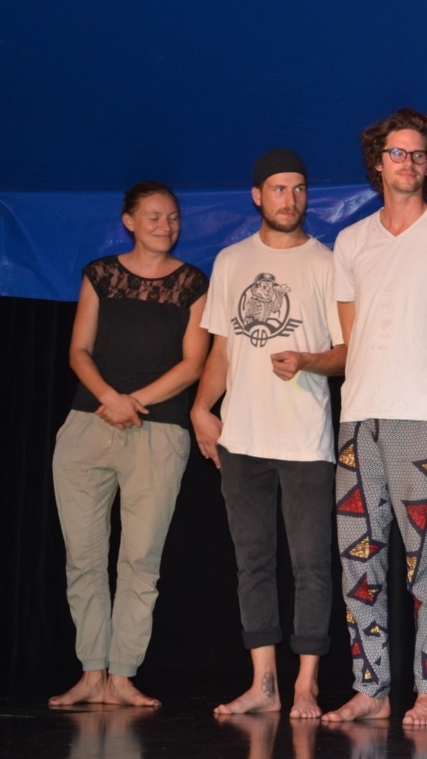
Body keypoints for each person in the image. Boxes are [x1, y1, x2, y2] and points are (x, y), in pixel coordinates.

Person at [321, 108, 427, 726]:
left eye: (418, 154)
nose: (407, 163)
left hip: (425, 418)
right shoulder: (351, 241)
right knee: (358, 560)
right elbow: (352, 336)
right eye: (397, 153)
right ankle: (371, 687)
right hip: (359, 420)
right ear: (378, 162)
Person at [190, 148, 346, 718]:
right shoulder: (231, 260)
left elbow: (346, 352)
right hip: (243, 439)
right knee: (252, 561)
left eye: (299, 189)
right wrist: (201, 408)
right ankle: (264, 684)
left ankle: (306, 683)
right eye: (279, 189)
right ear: (257, 196)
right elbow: (221, 349)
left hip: (305, 439)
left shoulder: (327, 263)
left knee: (311, 563)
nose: (290, 199)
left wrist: (307, 360)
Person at [50, 181, 209, 707]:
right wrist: (108, 398)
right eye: (154, 217)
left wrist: (132, 402)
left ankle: (122, 676)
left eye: (173, 217)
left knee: (140, 561)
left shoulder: (193, 283)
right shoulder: (100, 274)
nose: (166, 226)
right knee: (84, 559)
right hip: (88, 425)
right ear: (129, 221)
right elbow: (78, 350)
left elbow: (193, 365)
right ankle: (91, 672)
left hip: (157, 432)